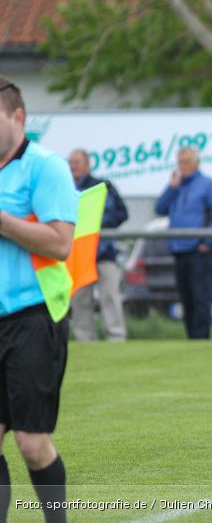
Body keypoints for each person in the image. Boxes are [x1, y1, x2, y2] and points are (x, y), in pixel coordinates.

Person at [0, 77, 76, 523]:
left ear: (18, 117)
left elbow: (60, 243)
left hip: (33, 319)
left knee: (32, 443)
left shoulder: (46, 167)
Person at [154, 146, 212, 339]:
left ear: (195, 163)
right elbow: (159, 208)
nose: (181, 166)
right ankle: (190, 338)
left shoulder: (209, 185)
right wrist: (172, 188)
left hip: (199, 250)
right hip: (178, 249)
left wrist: (207, 242)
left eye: (185, 162)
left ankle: (201, 339)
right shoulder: (176, 187)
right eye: (179, 162)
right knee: (186, 299)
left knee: (201, 297)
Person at [68, 148, 129, 341]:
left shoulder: (103, 186)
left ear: (87, 164)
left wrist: (97, 223)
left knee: (110, 296)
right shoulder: (65, 187)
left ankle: (116, 336)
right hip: (78, 252)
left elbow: (122, 214)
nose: (73, 166)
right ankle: (85, 337)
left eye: (77, 162)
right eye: (71, 162)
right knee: (80, 298)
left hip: (104, 251)